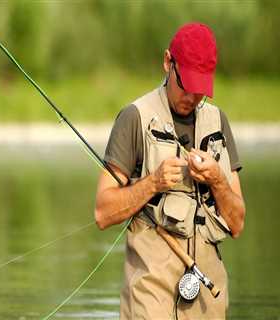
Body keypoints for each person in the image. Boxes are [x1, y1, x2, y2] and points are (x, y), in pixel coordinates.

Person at [94, 22, 246, 319]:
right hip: (149, 298)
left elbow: (238, 224)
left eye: (200, 90)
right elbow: (102, 212)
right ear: (168, 62)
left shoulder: (219, 122)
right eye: (186, 85)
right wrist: (153, 183)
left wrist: (217, 180)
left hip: (208, 298)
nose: (192, 97)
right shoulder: (134, 118)